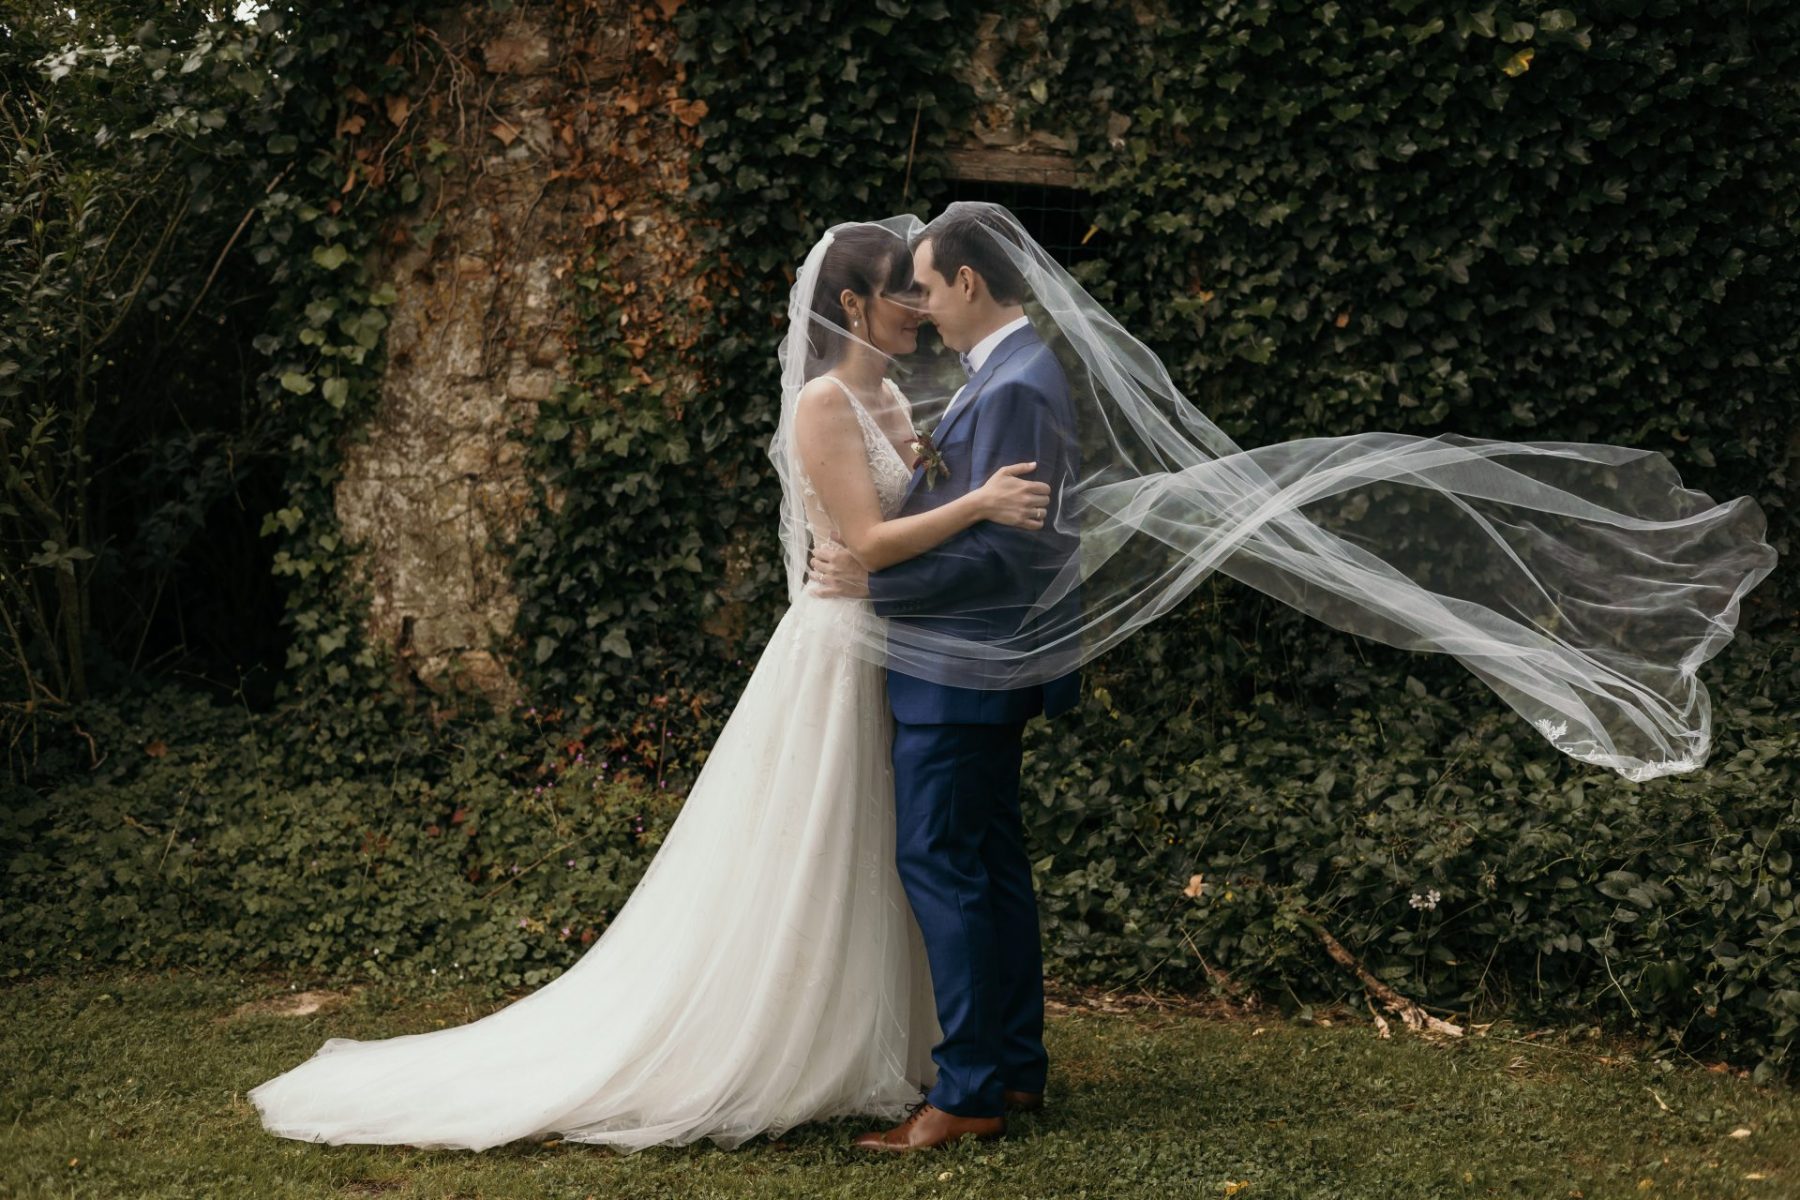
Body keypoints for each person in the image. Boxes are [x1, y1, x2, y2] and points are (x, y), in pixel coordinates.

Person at [247, 222, 1054, 1154]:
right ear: (851, 307)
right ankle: (805, 1039)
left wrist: (952, 511)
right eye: (899, 293)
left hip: (904, 647)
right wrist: (980, 502)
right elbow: (870, 544)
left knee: (905, 848)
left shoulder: (904, 409)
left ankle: (937, 1051)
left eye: (924, 292)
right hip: (842, 648)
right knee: (832, 844)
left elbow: (902, 537)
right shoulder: (824, 406)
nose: (918, 308)